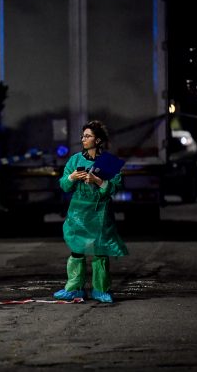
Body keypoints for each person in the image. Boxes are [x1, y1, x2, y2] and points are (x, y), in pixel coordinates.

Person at [54, 120, 129, 303]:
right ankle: (74, 289)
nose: (83, 139)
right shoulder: (75, 160)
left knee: (100, 251)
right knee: (77, 250)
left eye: (88, 136)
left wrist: (97, 180)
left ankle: (101, 289)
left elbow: (115, 187)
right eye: (83, 136)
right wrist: (72, 177)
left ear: (98, 140)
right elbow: (64, 185)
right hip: (78, 214)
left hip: (99, 213)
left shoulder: (109, 162)